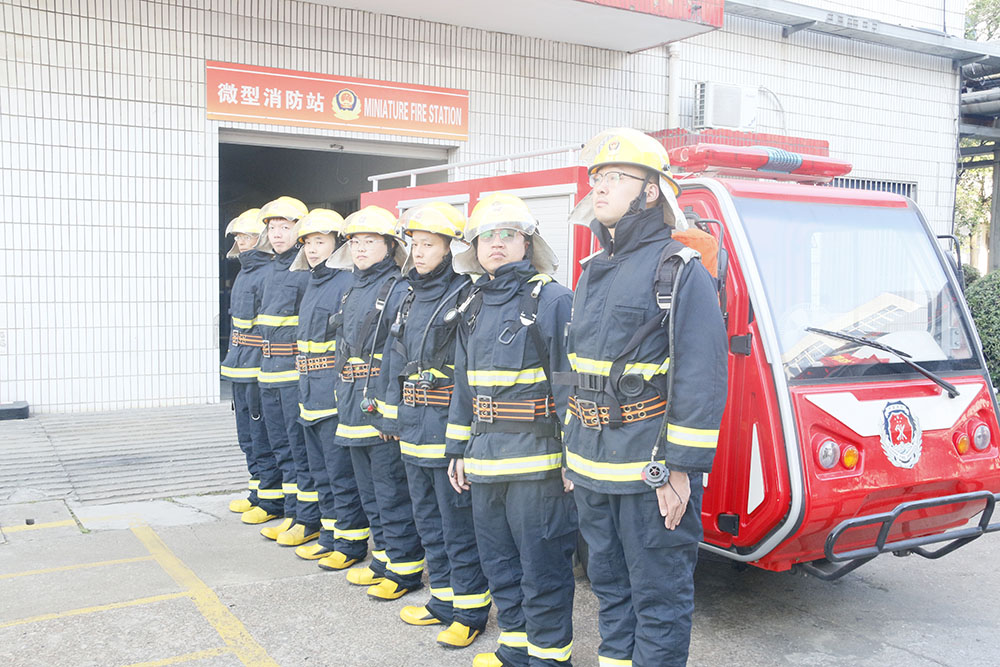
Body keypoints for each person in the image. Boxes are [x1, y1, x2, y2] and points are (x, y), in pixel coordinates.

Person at [560, 128, 728, 667]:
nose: (600, 187)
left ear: (652, 191)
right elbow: (574, 368)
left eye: (614, 178)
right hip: (590, 466)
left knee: (658, 598)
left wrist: (680, 470)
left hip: (649, 471)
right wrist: (570, 450)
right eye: (596, 178)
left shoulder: (679, 271)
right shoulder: (591, 272)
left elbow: (701, 380)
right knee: (609, 590)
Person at [445, 193, 577, 667]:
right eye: (487, 236)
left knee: (542, 565)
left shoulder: (553, 299)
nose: (496, 244)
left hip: (538, 465)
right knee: (498, 562)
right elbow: (463, 384)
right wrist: (457, 448)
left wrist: (572, 458)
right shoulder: (473, 303)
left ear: (528, 243)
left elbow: (570, 383)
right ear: (475, 246)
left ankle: (548, 656)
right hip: (484, 458)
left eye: (508, 235)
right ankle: (516, 646)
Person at [377, 202, 491, 649]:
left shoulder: (467, 294)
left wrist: (461, 437)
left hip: (447, 430)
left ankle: (469, 610)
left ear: (450, 249)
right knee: (428, 520)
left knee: (457, 525)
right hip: (412, 427)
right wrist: (391, 413)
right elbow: (392, 359)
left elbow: (469, 371)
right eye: (415, 245)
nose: (419, 253)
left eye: (429, 245)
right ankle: (442, 601)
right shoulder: (407, 295)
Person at [327, 205, 425, 600]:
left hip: (380, 406)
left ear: (389, 246)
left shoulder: (399, 289)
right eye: (355, 241)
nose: (361, 248)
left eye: (370, 241)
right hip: (353, 402)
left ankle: (404, 570)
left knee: (391, 491)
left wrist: (391, 413)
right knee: (369, 491)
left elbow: (400, 357)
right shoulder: (354, 286)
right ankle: (383, 559)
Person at [288, 209, 371, 569]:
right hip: (309, 392)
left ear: (337, 243)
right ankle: (328, 535)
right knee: (320, 472)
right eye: (307, 243)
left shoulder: (345, 282)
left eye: (320, 242)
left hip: (333, 395)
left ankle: (349, 543)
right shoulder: (312, 281)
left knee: (340, 476)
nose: (312, 250)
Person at [252, 196, 324, 548]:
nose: (278, 234)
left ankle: (306, 518)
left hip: (295, 374)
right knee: (283, 448)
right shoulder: (273, 269)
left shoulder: (305, 272)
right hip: (269, 372)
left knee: (300, 450)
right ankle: (292, 512)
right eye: (272, 228)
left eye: (285, 227)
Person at [220, 207, 278, 518]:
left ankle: (270, 499)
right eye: (240, 236)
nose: (243, 242)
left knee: (261, 434)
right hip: (239, 366)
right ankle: (257, 490)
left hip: (258, 366)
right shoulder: (246, 271)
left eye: (250, 236)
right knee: (246, 435)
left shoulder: (268, 273)